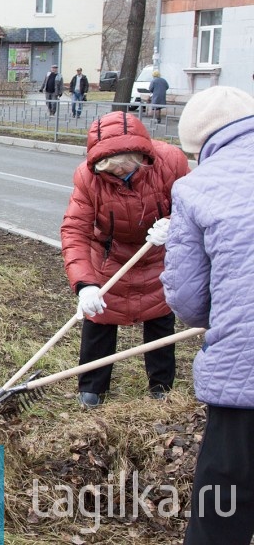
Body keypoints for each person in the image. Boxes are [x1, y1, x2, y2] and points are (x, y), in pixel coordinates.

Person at [159, 86, 254, 545]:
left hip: (245, 375)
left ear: (198, 147)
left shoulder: (197, 188)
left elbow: (189, 300)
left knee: (224, 505)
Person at [59, 111, 189, 408]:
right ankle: (92, 388)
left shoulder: (171, 162)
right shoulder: (88, 177)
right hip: (109, 256)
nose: (119, 176)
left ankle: (161, 386)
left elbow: (193, 206)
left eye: (124, 169)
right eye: (111, 172)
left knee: (159, 317)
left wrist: (174, 223)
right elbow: (75, 230)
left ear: (141, 155)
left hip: (157, 252)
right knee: (101, 316)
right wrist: (85, 285)